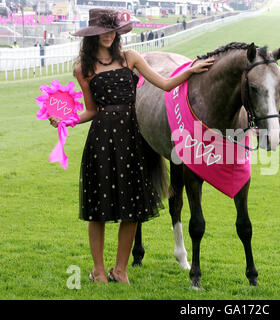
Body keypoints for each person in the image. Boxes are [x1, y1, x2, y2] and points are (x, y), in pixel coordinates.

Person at [48, 8, 213, 285]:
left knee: (133, 206)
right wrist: (68, 120)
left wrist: (191, 71)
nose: (109, 35)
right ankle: (99, 270)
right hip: (101, 140)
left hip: (131, 137)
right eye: (103, 31)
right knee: (97, 207)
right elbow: (90, 110)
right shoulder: (83, 68)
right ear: (93, 35)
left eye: (112, 30)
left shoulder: (131, 59)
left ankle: (120, 270)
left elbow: (165, 83)